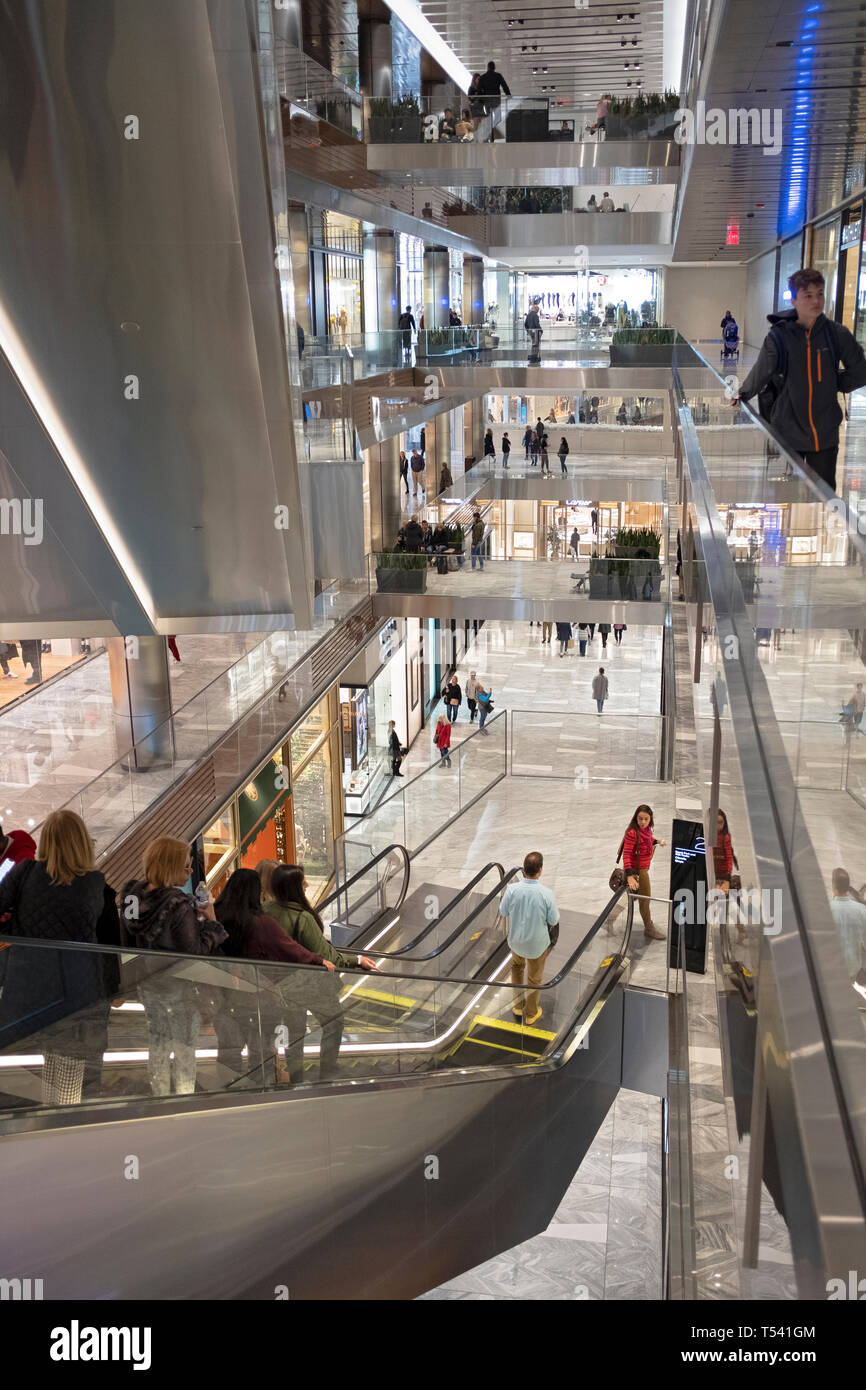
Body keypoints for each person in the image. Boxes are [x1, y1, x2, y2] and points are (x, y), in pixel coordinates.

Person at [0, 809, 121, 1107]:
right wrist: (114, 993)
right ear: (83, 842)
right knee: (67, 1079)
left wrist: (15, 926)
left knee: (43, 1069)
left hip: (30, 991)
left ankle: (47, 1127)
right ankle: (61, 1134)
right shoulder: (98, 886)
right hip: (76, 996)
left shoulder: (25, 873)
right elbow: (109, 948)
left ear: (47, 842)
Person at [732, 268, 866, 492]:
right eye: (808, 295)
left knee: (822, 499)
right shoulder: (779, 337)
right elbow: (762, 370)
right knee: (781, 496)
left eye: (820, 294)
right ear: (794, 300)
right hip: (786, 434)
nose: (816, 301)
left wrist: (838, 382)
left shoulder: (836, 335)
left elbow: (861, 369)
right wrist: (742, 393)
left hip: (824, 438)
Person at [122, 836, 227, 1096]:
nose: (190, 871)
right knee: (184, 1051)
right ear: (170, 866)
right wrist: (211, 923)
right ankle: (182, 1104)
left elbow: (126, 944)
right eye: (185, 866)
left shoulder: (132, 899)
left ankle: (160, 1099)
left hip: (148, 986)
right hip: (180, 990)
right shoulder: (178, 905)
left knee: (157, 1046)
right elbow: (193, 951)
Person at [214, 868, 334, 1086]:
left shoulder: (217, 917)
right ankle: (259, 1091)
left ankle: (227, 1091)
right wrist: (320, 961)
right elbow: (290, 948)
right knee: (260, 1051)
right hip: (257, 995)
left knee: (229, 1049)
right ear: (255, 892)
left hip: (224, 995)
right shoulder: (261, 922)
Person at [266, 866, 349, 1082]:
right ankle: (327, 1072)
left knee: (294, 1032)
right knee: (334, 1021)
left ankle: (296, 1078)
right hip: (306, 984)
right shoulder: (302, 917)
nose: (307, 885)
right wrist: (356, 961)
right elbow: (324, 954)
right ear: (293, 886)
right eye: (302, 882)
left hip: (275, 984)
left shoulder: (265, 911)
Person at [499, 851, 559, 1026]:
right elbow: (553, 920)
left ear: (524, 869)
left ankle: (518, 1005)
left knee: (517, 968)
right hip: (537, 945)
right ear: (540, 870)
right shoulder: (546, 894)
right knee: (534, 977)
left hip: (516, 941)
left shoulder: (512, 890)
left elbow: (503, 911)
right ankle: (531, 1013)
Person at [620, 805, 666, 941]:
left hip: (643, 869)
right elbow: (626, 854)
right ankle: (649, 928)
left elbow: (647, 840)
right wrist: (629, 876)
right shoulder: (632, 832)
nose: (643, 822)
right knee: (645, 899)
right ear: (636, 817)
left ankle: (610, 919)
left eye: (646, 819)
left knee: (626, 898)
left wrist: (657, 841)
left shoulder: (646, 830)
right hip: (637, 871)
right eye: (640, 819)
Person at [829, 869, 866, 979]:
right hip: (853, 967)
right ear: (848, 887)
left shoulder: (825, 909)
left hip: (832, 968)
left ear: (833, 885)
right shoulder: (862, 910)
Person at [476, 60, 511, 138]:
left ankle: (490, 134)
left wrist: (481, 100)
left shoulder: (483, 77)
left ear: (488, 67)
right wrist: (508, 95)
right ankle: (494, 132)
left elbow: (479, 90)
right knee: (498, 117)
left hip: (487, 100)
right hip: (496, 100)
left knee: (488, 118)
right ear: (494, 68)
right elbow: (504, 86)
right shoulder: (498, 76)